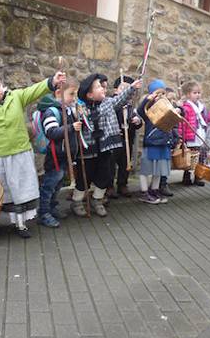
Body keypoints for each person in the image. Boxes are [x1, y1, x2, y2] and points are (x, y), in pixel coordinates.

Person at [0, 69, 66, 238]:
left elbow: (34, 90)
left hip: (20, 154)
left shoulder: (16, 97)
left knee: (20, 190)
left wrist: (52, 81)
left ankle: (21, 224)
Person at [71, 73, 142, 217]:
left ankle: (97, 200)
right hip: (88, 150)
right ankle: (77, 201)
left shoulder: (108, 103)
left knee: (105, 175)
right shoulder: (80, 109)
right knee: (85, 177)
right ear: (89, 94)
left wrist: (132, 88)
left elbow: (120, 99)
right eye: (99, 87)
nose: (104, 89)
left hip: (105, 148)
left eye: (103, 86)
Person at [36, 77, 80, 228]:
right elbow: (52, 132)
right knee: (49, 185)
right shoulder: (52, 111)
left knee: (58, 184)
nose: (74, 98)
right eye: (72, 94)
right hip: (54, 156)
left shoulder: (67, 109)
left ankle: (52, 207)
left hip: (64, 156)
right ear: (59, 92)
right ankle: (44, 212)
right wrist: (71, 127)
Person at [137, 80, 178, 204]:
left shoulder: (168, 107)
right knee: (146, 169)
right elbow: (140, 112)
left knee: (159, 170)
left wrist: (179, 109)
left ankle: (154, 190)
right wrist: (148, 99)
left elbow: (180, 114)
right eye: (157, 93)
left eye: (162, 93)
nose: (160, 96)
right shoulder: (148, 108)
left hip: (164, 143)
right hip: (152, 142)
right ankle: (144, 192)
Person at [111, 77, 143, 197]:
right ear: (116, 90)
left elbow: (138, 123)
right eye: (123, 88)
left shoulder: (131, 106)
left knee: (125, 163)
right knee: (111, 164)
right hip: (115, 139)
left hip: (128, 139)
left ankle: (122, 184)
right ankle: (109, 186)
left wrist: (137, 121)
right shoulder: (112, 103)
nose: (126, 91)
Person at [179, 80, 210, 186]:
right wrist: (181, 136)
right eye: (195, 93)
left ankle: (198, 177)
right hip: (191, 136)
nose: (197, 95)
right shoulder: (186, 108)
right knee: (190, 158)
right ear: (188, 94)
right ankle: (187, 177)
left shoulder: (202, 107)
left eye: (199, 93)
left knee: (201, 157)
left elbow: (205, 120)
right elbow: (182, 124)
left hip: (201, 135)